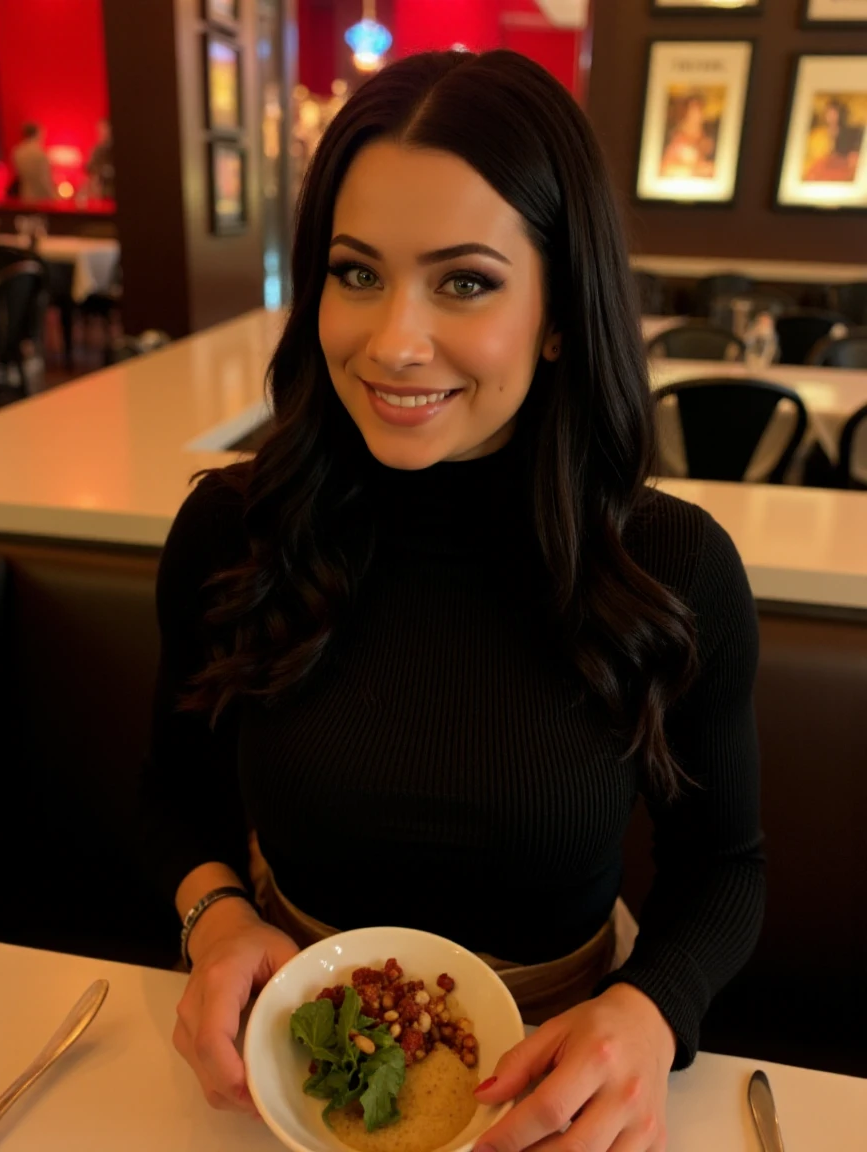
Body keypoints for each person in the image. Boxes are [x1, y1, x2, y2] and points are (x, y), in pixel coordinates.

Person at [141, 49, 764, 1151]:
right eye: (355, 271)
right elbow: (175, 792)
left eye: (463, 281)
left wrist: (649, 1008)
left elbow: (723, 867)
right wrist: (216, 915)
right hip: (276, 1082)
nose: (391, 342)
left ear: (560, 310)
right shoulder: (232, 535)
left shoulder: (673, 568)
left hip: (553, 1092)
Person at [659, 92, 718, 180]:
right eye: (691, 113)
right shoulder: (673, 139)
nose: (695, 117)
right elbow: (664, 168)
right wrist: (693, 169)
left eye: (698, 112)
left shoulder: (710, 141)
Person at [803, 98, 864, 184]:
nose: (831, 116)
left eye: (834, 113)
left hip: (839, 165)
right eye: (829, 113)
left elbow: (850, 152)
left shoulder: (848, 132)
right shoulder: (818, 134)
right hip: (821, 165)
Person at [10, 122, 56, 201]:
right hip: (41, 197)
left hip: (24, 194)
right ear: (38, 134)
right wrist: (53, 198)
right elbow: (44, 179)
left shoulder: (17, 152)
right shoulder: (40, 154)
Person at [85, 119, 115, 199]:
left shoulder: (108, 150)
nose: (101, 133)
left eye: (104, 129)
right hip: (98, 188)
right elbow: (89, 168)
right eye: (99, 130)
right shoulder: (97, 149)